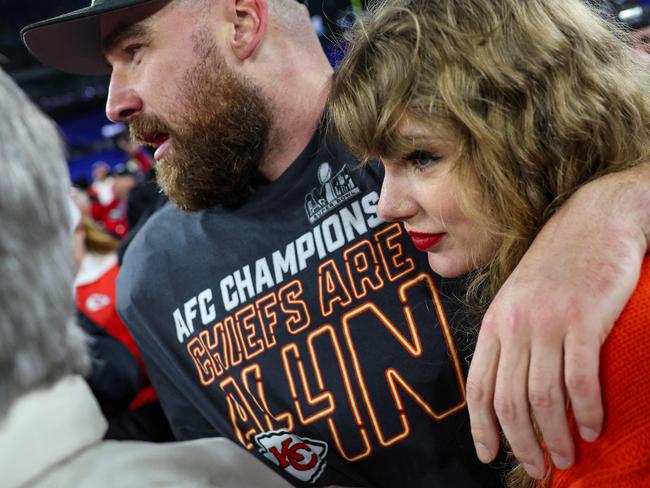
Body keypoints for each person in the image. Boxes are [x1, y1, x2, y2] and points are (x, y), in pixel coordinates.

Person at [21, 0, 650, 485]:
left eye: (134, 50)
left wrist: (614, 203)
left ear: (241, 21)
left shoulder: (433, 116)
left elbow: (597, 118)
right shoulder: (150, 278)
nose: (113, 104)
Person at [328, 0, 650, 485]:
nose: (387, 206)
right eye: (383, 165)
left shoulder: (606, 330)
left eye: (421, 157)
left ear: (533, 130)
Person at [0, 64, 294, 488]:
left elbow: (123, 371)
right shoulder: (218, 471)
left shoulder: (130, 266)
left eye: (135, 52)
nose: (115, 102)